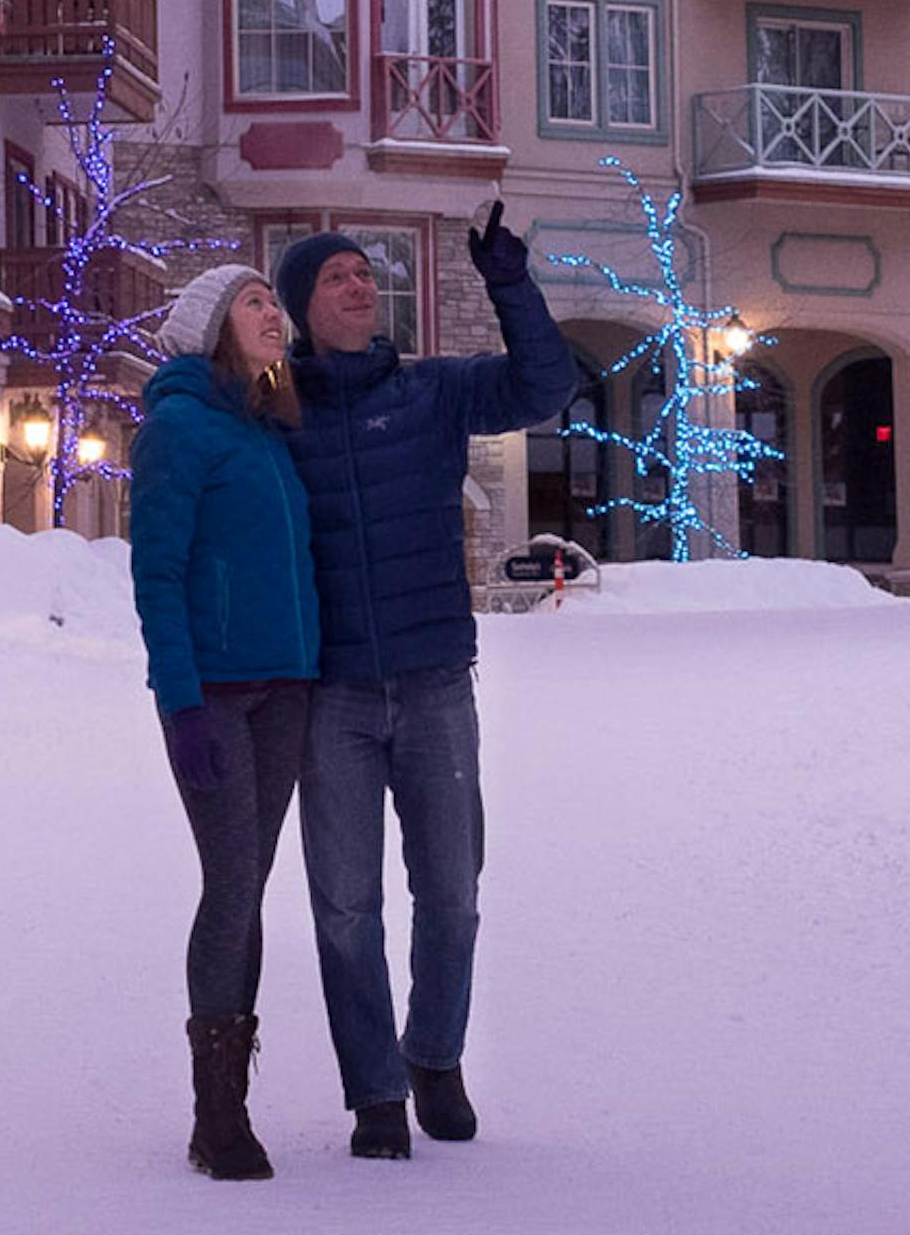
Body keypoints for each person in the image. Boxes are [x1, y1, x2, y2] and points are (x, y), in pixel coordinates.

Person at [274, 206, 581, 1160]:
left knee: (451, 889)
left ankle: (434, 1057)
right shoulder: (278, 414)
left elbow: (545, 384)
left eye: (368, 273)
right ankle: (373, 1090)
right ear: (300, 307)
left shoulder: (434, 393)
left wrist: (510, 283)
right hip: (335, 696)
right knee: (345, 904)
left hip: (437, 680)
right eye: (339, 277)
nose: (363, 286)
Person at [128, 263, 320, 1183]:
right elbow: (156, 577)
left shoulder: (272, 430)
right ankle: (218, 1115)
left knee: (250, 885)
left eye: (272, 302)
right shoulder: (177, 430)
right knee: (233, 883)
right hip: (218, 699)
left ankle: (226, 1103)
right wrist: (181, 703)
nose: (274, 314)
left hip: (287, 691)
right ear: (211, 327)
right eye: (255, 302)